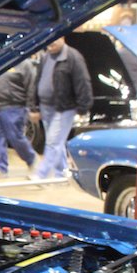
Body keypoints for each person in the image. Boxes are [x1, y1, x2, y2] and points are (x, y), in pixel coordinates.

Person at [28, 36, 91, 181]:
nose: (50, 43)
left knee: (53, 142)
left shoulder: (73, 57)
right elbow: (37, 81)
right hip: (45, 107)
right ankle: (62, 174)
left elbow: (83, 82)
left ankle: (41, 174)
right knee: (57, 142)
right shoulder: (45, 57)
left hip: (64, 108)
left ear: (62, 38)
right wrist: (34, 106)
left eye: (54, 40)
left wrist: (83, 107)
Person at [0, 61, 38, 179]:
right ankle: (0, 167)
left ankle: (32, 159)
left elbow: (31, 87)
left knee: (15, 137)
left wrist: (32, 108)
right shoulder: (0, 62)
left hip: (15, 107)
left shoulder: (25, 64)